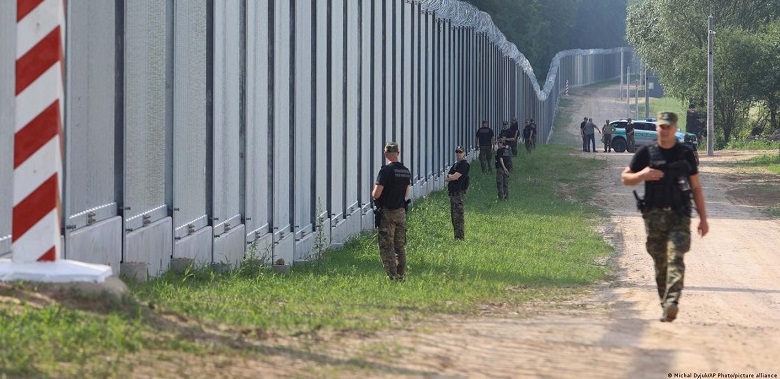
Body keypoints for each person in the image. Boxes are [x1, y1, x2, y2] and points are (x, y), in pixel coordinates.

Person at [620, 112, 709, 322]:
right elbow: (625, 178)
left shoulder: (685, 154)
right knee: (660, 263)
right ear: (657, 128)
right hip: (654, 216)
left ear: (675, 128)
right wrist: (642, 175)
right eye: (662, 126)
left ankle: (672, 302)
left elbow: (696, 187)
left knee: (675, 257)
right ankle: (665, 305)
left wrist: (703, 218)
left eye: (669, 127)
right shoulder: (646, 152)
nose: (665, 130)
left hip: (680, 215)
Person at [372, 142, 412, 280]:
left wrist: (374, 193)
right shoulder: (405, 171)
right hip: (401, 212)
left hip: (388, 213)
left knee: (387, 245)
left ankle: (392, 276)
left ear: (385, 154)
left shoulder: (385, 171)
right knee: (399, 245)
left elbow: (376, 194)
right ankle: (401, 274)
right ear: (398, 153)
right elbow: (406, 193)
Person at [445, 146, 470, 239]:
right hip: (453, 193)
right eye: (457, 152)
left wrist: (451, 176)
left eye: (460, 152)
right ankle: (456, 236)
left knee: (458, 216)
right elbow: (447, 178)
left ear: (464, 153)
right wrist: (450, 176)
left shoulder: (464, 164)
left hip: (459, 194)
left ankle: (460, 236)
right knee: (454, 216)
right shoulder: (456, 165)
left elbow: (455, 176)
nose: (458, 153)